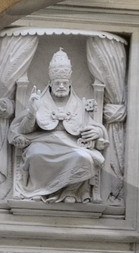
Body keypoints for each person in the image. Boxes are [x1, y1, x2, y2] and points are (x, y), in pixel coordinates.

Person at [9, 49, 109, 203]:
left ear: (69, 85)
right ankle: (37, 189)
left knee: (83, 157)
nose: (61, 86)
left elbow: (94, 126)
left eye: (64, 83)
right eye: (57, 83)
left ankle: (71, 191)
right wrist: (32, 112)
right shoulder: (39, 102)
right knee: (35, 154)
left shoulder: (79, 104)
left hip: (72, 145)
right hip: (44, 142)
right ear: (50, 84)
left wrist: (96, 132)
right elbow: (23, 130)